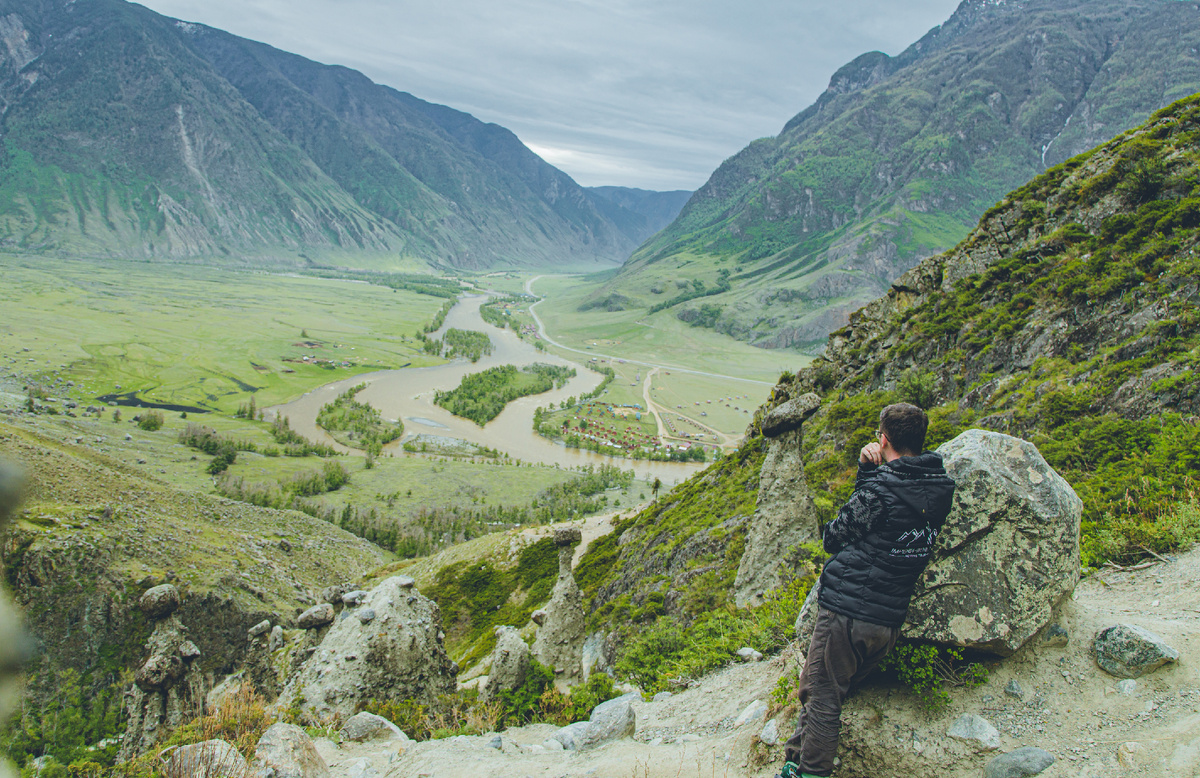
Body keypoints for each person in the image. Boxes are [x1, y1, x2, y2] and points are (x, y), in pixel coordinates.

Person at [777, 403, 956, 778]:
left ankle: (810, 773)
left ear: (884, 438)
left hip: (848, 614)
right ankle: (794, 761)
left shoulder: (879, 489)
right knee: (816, 688)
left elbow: (835, 535)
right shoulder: (938, 489)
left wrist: (866, 471)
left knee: (824, 698)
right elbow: (882, 518)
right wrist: (876, 474)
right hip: (887, 622)